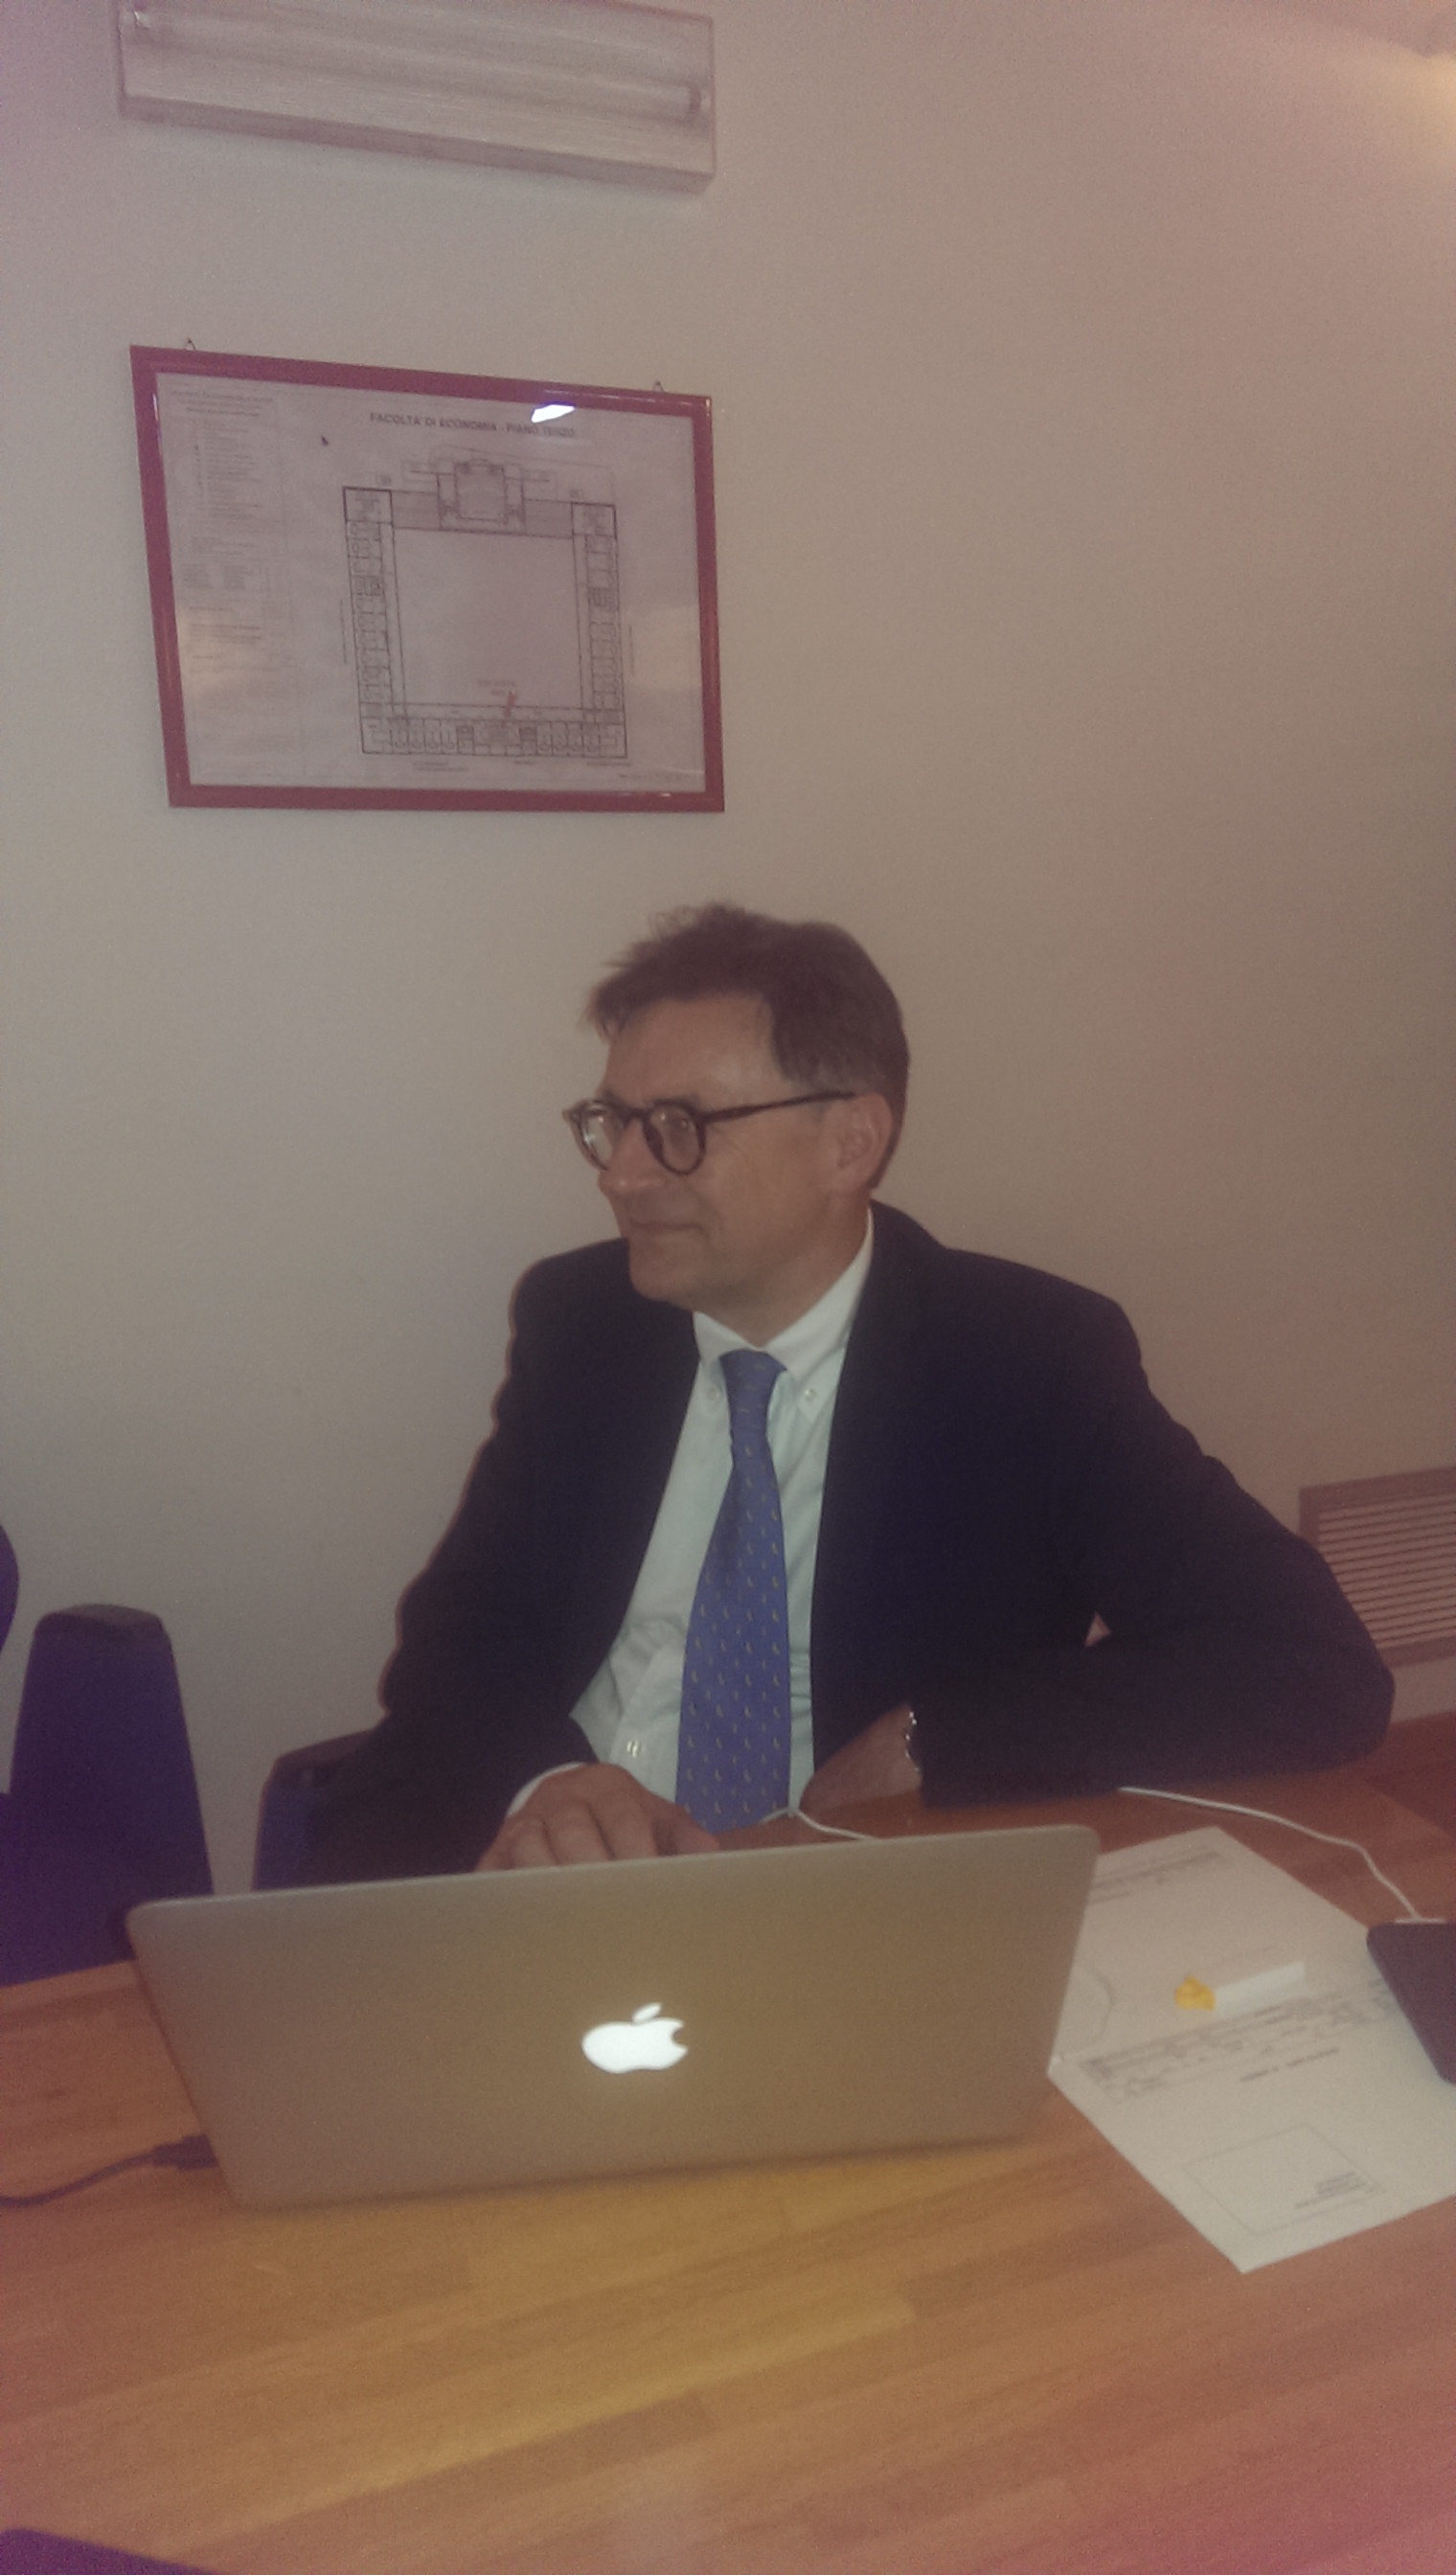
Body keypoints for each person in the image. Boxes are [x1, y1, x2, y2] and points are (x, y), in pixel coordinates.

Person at [308, 903, 1390, 1882]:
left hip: (847, 1884)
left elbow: (1306, 1664)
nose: (621, 1174)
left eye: (678, 1127)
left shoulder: (1023, 1359)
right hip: (551, 1870)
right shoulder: (584, 1323)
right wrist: (547, 1782)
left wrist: (938, 1736)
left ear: (849, 1144)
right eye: (614, 1121)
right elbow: (465, 1625)